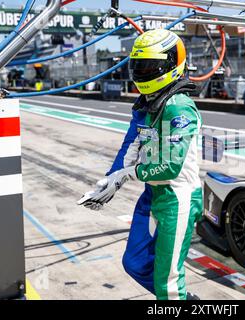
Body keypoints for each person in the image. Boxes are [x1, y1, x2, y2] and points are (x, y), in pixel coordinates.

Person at [78, 29, 203, 301]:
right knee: (135, 263)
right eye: (139, 65)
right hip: (153, 194)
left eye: (150, 65)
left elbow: (169, 166)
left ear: (171, 63)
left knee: (168, 282)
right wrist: (111, 179)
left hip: (177, 199)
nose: (143, 71)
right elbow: (131, 144)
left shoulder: (178, 107)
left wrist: (128, 173)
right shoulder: (147, 104)